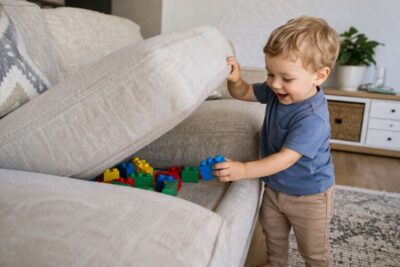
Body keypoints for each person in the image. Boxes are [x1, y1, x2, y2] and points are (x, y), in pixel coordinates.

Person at [213, 16, 340, 267]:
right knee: (273, 236)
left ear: (319, 75)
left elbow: (285, 158)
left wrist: (244, 169)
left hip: (310, 196)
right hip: (274, 189)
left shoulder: (313, 118)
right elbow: (244, 92)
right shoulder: (275, 91)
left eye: (286, 78)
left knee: (313, 250)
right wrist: (236, 80)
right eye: (270, 73)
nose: (274, 83)